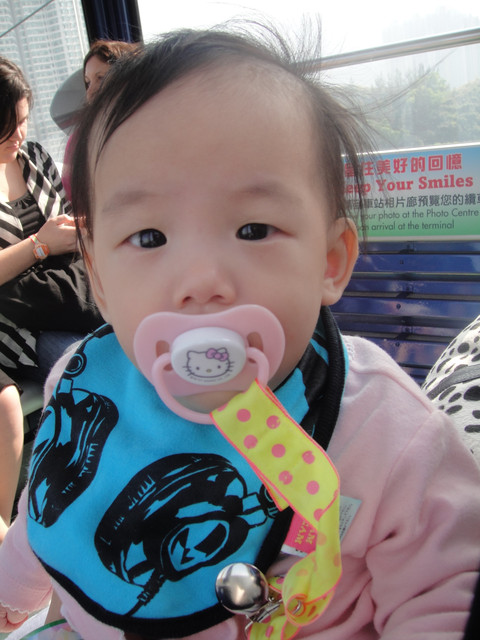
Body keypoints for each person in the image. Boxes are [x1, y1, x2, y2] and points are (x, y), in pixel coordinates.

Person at [0, 25, 480, 640]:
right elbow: (51, 509)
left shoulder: (387, 433)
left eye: (253, 230)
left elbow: (443, 592)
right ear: (97, 275)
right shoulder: (86, 382)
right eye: (148, 237)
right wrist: (13, 596)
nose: (201, 280)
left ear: (330, 261)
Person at [0, 56, 103, 543]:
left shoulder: (34, 157)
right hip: (14, 321)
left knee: (117, 348)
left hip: (61, 295)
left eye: (22, 120)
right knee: (88, 367)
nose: (18, 135)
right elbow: (46, 240)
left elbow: (63, 225)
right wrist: (39, 245)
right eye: (7, 126)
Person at [62, 39, 140, 201]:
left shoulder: (149, 129)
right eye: (88, 82)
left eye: (100, 78)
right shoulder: (79, 141)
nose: (90, 91)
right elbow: (73, 196)